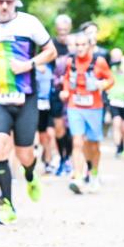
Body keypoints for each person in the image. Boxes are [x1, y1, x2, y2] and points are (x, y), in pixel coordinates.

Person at [0, 0, 57, 225]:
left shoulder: (30, 23)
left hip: (25, 96)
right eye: (0, 2)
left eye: (8, 2)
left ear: (16, 2)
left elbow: (51, 51)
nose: (4, 6)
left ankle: (30, 174)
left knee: (24, 154)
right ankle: (7, 205)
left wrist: (28, 65)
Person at [60, 31, 114, 193]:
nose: (80, 48)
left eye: (83, 45)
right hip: (75, 106)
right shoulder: (71, 61)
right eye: (77, 45)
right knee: (77, 141)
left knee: (93, 144)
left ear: (89, 46)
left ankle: (94, 174)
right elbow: (67, 79)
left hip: (94, 108)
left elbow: (111, 79)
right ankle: (78, 177)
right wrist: (65, 91)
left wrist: (102, 85)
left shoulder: (99, 61)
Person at [50, 15, 73, 176]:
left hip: (73, 92)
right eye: (60, 30)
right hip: (56, 91)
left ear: (69, 29)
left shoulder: (75, 44)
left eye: (65, 30)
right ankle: (62, 158)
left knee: (71, 127)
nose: (62, 33)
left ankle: (69, 158)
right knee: (59, 128)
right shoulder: (51, 44)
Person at [107, 47, 124, 157]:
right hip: (114, 98)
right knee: (116, 123)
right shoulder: (110, 66)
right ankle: (118, 148)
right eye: (113, 57)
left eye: (117, 56)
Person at [35, 62, 57, 173]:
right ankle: (41, 160)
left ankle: (49, 160)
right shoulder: (31, 66)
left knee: (49, 134)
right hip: (34, 104)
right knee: (39, 136)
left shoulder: (51, 67)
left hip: (49, 104)